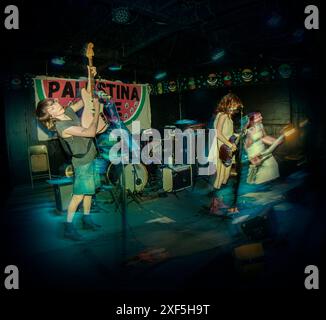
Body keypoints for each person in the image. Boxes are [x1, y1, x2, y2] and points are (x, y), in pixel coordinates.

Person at [36, 67, 102, 241]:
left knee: (89, 192)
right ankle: (68, 226)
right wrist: (97, 110)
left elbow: (86, 96)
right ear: (49, 114)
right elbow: (90, 132)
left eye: (53, 102)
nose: (56, 102)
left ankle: (87, 220)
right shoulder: (61, 127)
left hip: (91, 155)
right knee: (78, 195)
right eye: (51, 105)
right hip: (82, 163)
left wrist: (91, 77)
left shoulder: (68, 111)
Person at [208, 92, 243, 214]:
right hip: (222, 150)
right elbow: (218, 133)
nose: (235, 108)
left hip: (226, 150)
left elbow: (227, 134)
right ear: (228, 103)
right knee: (220, 179)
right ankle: (214, 207)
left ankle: (218, 202)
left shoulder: (228, 116)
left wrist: (236, 136)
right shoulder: (222, 115)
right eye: (234, 105)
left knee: (224, 179)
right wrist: (230, 144)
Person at [244, 112, 281, 184]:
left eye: (261, 116)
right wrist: (250, 158)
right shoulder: (249, 130)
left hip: (263, 151)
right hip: (254, 153)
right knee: (260, 172)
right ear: (252, 120)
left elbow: (264, 137)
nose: (261, 118)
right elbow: (246, 146)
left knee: (273, 165)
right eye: (259, 117)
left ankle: (269, 185)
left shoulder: (260, 125)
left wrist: (275, 141)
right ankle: (258, 185)